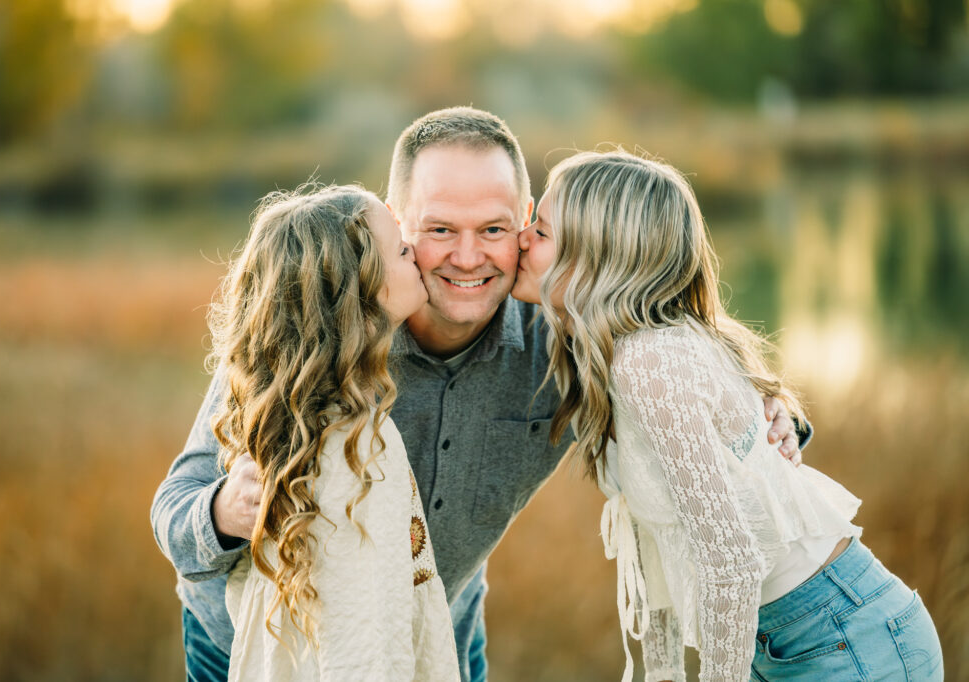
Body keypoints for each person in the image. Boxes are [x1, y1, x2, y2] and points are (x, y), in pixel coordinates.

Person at [150, 108, 804, 682]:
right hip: (248, 643)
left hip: (442, 638)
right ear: (395, 225)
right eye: (439, 231)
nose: (468, 257)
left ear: (527, 225)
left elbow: (688, 370)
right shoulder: (324, 338)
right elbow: (174, 511)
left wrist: (772, 413)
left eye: (493, 229)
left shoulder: (570, 341)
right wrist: (221, 513)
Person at [512, 149, 944, 681]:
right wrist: (663, 673)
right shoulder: (619, 353)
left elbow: (733, 566)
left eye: (542, 230)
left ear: (598, 258)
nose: (521, 238)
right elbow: (654, 541)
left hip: (845, 642)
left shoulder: (649, 362)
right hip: (792, 640)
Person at [206, 184, 458, 680]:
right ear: (361, 292)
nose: (417, 255)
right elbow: (364, 642)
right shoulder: (358, 448)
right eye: (404, 250)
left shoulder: (291, 424)